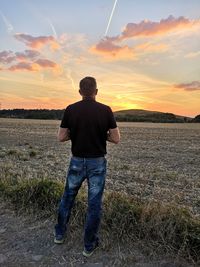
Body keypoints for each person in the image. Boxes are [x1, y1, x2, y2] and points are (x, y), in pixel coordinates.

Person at [54, 76, 120, 257]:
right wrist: (101, 135)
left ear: (80, 92)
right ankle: (89, 246)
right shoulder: (106, 110)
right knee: (94, 204)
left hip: (76, 161)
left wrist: (74, 135)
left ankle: (59, 234)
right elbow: (115, 138)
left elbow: (61, 137)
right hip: (97, 163)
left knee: (67, 198)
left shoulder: (71, 109)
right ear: (96, 92)